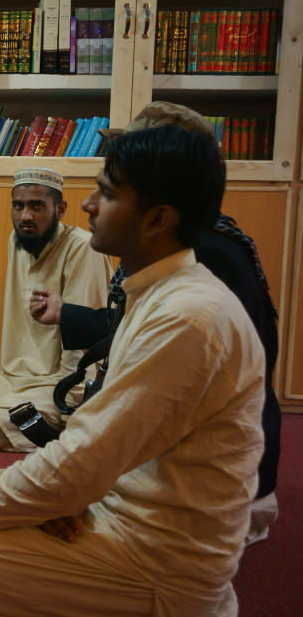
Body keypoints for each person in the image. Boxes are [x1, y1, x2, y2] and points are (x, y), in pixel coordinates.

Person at [0, 124, 264, 617]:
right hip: (117, 505)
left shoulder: (187, 317)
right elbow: (102, 442)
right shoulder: (159, 292)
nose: (89, 205)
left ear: (157, 219)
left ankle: (179, 615)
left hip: (158, 559)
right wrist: (70, 495)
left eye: (107, 194)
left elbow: (87, 448)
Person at [29, 102, 280, 544]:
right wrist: (65, 314)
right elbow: (128, 328)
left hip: (193, 488)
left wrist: (79, 485)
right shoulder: (188, 246)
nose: (94, 201)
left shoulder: (208, 258)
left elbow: (162, 399)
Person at [0, 166, 112, 452]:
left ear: (60, 209)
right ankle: (16, 409)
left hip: (63, 381)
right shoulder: (18, 241)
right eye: (18, 206)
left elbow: (85, 337)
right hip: (18, 378)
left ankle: (75, 437)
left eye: (37, 206)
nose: (25, 216)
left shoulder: (83, 248)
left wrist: (70, 401)